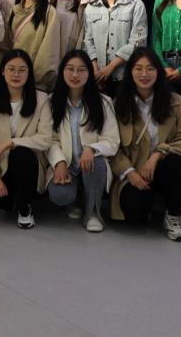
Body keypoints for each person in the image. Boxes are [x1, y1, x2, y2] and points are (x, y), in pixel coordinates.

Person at [109, 48, 181, 241]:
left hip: (166, 167)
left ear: (158, 71)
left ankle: (174, 215)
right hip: (135, 171)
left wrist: (158, 154)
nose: (144, 74)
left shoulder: (175, 101)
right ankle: (153, 203)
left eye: (150, 68)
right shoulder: (119, 104)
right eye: (138, 68)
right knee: (134, 213)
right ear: (130, 71)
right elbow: (112, 145)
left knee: (175, 163)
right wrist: (129, 173)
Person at [0, 49, 53, 229]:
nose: (16, 74)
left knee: (21, 153)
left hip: (29, 164)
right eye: (11, 69)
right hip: (1, 165)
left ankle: (24, 208)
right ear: (3, 71)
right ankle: (17, 200)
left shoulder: (41, 99)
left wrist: (12, 142)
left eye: (22, 70)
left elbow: (45, 139)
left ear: (29, 73)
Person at [45, 50, 120, 232]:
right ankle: (75, 200)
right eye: (70, 69)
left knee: (96, 161)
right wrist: (59, 162)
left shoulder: (103, 102)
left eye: (81, 70)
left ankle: (93, 211)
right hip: (67, 164)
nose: (75, 75)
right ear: (62, 71)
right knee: (60, 195)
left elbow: (112, 140)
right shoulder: (51, 102)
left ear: (89, 73)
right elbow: (49, 139)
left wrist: (92, 148)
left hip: (91, 164)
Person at [83, 0, 147, 96]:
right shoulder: (91, 7)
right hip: (97, 77)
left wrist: (111, 67)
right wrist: (95, 69)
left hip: (125, 75)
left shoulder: (136, 5)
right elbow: (88, 41)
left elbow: (138, 42)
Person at [5, 0, 61, 92]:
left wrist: (37, 80)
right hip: (12, 78)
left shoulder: (49, 12)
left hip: (36, 83)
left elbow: (49, 52)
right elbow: (5, 46)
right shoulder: (14, 10)